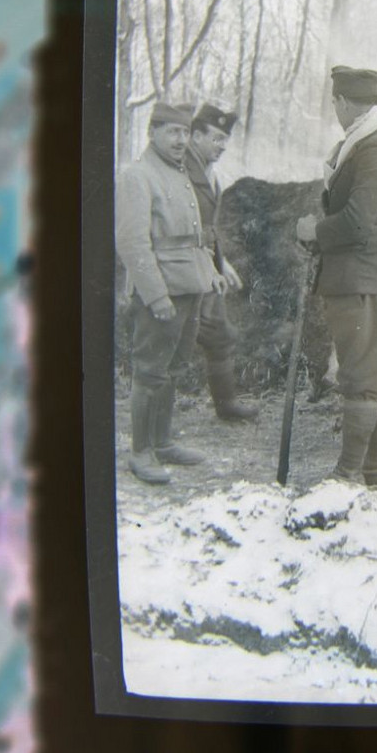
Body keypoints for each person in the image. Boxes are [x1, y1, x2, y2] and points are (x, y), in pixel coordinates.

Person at [296, 66, 377, 486]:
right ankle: (376, 473)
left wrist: (314, 231)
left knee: (361, 380)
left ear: (343, 103)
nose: (335, 111)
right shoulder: (368, 143)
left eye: (335, 104)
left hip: (363, 281)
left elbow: (358, 223)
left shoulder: (376, 149)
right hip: (367, 278)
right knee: (375, 374)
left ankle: (347, 477)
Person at [116, 102, 224, 484]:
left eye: (184, 132)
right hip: (161, 292)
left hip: (189, 288)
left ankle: (162, 443)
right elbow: (131, 243)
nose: (180, 140)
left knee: (173, 368)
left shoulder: (178, 174)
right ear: (153, 133)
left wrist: (210, 271)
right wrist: (155, 296)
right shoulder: (138, 176)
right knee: (149, 372)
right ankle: (141, 452)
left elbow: (195, 237)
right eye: (172, 132)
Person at [185, 102, 257, 423]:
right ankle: (155, 430)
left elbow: (207, 227)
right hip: (181, 269)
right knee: (172, 341)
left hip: (204, 268)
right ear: (195, 135)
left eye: (225, 140)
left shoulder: (209, 173)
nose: (222, 146)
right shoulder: (179, 169)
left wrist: (220, 262)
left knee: (219, 333)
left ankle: (226, 406)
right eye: (216, 138)